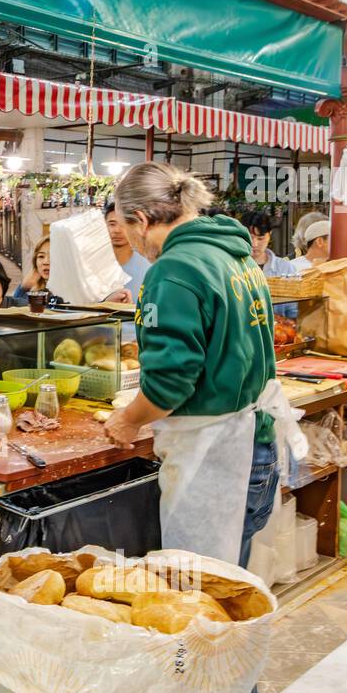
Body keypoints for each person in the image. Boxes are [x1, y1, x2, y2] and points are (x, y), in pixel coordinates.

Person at [101, 162, 301, 569]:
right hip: (255, 444)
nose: (133, 243)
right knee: (230, 585)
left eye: (126, 228)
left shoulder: (174, 269)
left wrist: (128, 420)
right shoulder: (236, 257)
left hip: (212, 456)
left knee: (200, 595)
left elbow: (168, 386)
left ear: (141, 219)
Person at [105, 201, 152, 303]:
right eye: (112, 224)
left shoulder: (148, 266)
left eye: (123, 224)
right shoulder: (93, 269)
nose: (117, 230)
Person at [241, 211, 296, 278]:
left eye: (260, 239)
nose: (254, 244)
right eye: (249, 238)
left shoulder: (286, 269)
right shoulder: (232, 267)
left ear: (270, 235)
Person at [13, 235, 50, 302]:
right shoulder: (35, 291)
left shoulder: (71, 289)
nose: (45, 262)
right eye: (41, 256)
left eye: (52, 256)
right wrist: (24, 288)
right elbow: (15, 309)